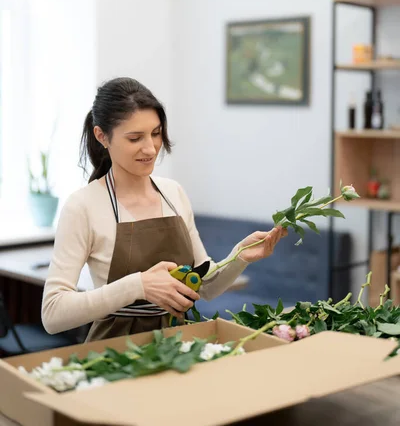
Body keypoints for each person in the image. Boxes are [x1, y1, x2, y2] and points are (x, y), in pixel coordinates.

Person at [42, 77, 287, 342]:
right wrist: (139, 286)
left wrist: (239, 256)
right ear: (102, 136)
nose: (150, 148)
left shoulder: (173, 193)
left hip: (178, 346)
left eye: (156, 133)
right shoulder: (83, 206)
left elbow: (204, 285)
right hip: (115, 354)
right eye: (135, 138)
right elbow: (53, 314)